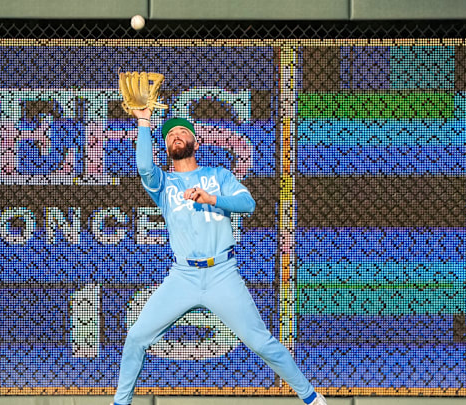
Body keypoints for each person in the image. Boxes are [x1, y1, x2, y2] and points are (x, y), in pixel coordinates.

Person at [112, 107, 327, 405]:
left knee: (261, 342)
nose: (176, 136)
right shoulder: (164, 184)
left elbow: (247, 203)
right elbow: (144, 167)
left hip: (221, 274)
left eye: (182, 132)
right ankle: (120, 404)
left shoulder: (218, 175)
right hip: (183, 277)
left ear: (196, 143)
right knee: (136, 337)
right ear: (166, 147)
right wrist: (145, 121)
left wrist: (212, 198)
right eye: (170, 135)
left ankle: (313, 399)